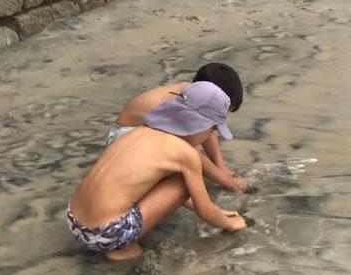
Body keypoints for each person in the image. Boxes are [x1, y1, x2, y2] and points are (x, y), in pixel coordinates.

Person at [67, 82, 248, 261]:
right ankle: (122, 249)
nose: (210, 136)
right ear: (201, 125)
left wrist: (215, 211)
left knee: (169, 177)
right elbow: (204, 211)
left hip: (75, 219)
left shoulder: (137, 132)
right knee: (185, 179)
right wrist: (231, 223)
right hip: (106, 232)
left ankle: (110, 239)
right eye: (213, 129)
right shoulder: (185, 154)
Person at [111, 63, 247, 192]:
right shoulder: (175, 106)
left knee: (196, 147)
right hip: (126, 139)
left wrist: (220, 165)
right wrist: (227, 181)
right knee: (186, 172)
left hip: (146, 135)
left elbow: (208, 125)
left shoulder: (194, 97)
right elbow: (185, 151)